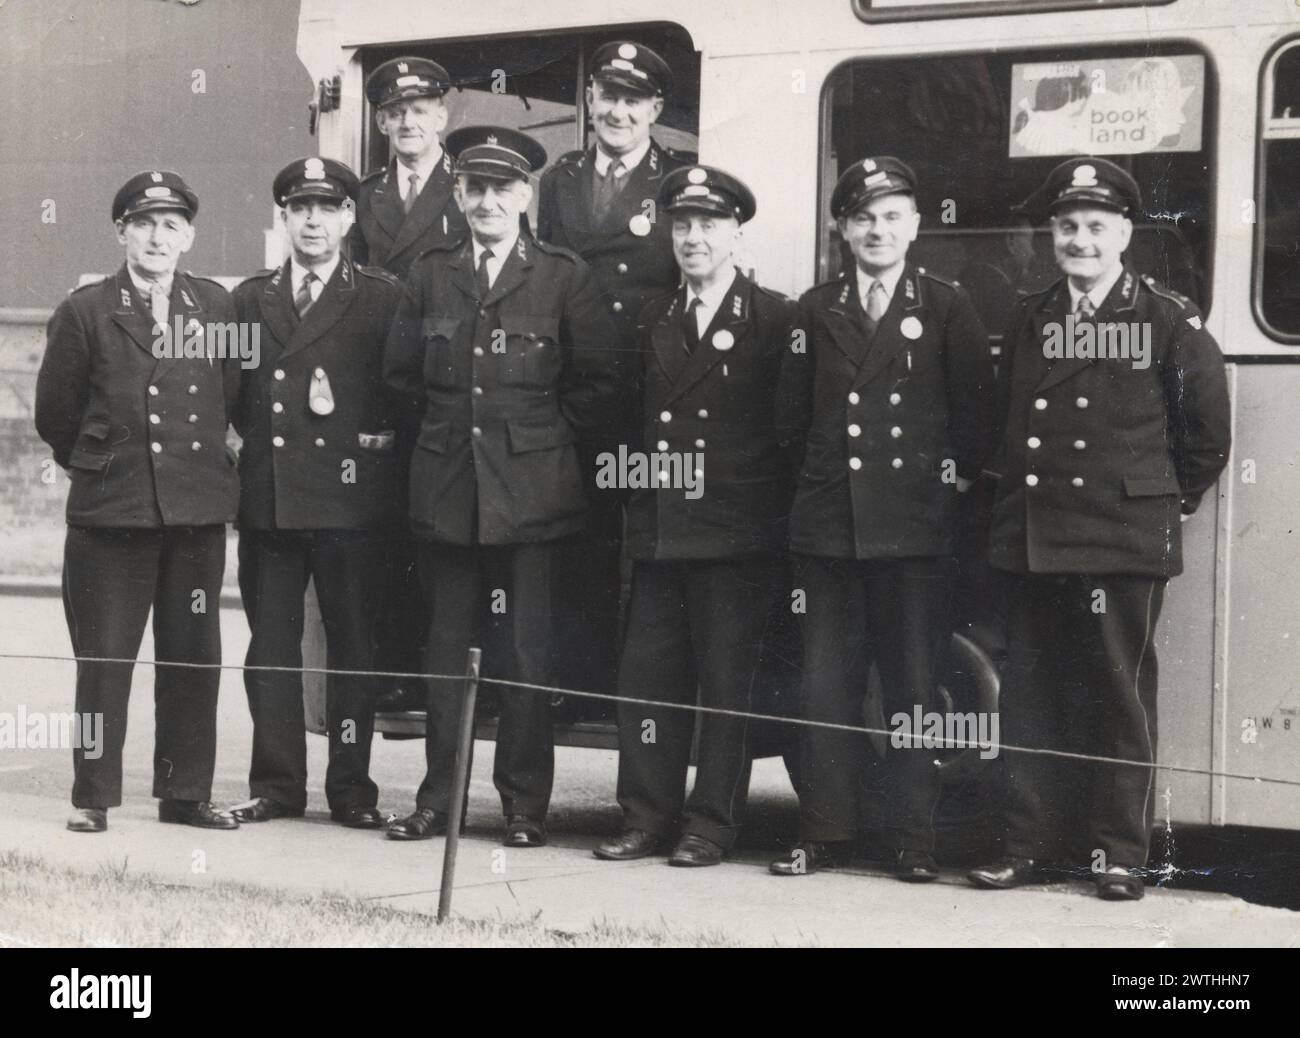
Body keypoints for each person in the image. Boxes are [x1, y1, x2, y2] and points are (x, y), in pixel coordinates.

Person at [967, 157, 1231, 900]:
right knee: (1026, 695)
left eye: (1095, 227)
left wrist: (1158, 501)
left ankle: (1120, 854)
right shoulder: (1032, 315)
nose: (1080, 240)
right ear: (1053, 235)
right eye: (1067, 227)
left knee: (1118, 695)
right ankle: (1025, 846)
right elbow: (1009, 420)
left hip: (1119, 535)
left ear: (1123, 234)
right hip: (1038, 532)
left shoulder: (1165, 320)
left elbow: (1206, 436)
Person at [383, 126, 621, 847]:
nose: (488, 201)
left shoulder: (561, 275)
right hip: (449, 493)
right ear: (457, 194)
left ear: (526, 196)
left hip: (533, 500)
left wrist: (537, 438)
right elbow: (400, 380)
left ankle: (523, 808)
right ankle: (439, 804)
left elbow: (599, 384)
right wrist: (453, 439)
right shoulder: (429, 274)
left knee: (524, 657)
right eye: (475, 188)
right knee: (445, 655)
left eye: (502, 189)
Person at [771, 157, 995, 881]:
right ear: (842, 228)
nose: (878, 229)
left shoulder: (946, 305)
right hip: (830, 532)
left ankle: (913, 842)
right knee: (825, 687)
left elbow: (974, 420)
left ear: (916, 227)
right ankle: (824, 833)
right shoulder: (814, 309)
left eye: (892, 216)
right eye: (863, 217)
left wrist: (939, 498)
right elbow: (790, 423)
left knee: (911, 690)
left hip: (913, 535)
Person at [592, 166, 798, 867]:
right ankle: (645, 816)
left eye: (709, 225)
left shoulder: (773, 318)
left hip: (736, 536)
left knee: (726, 687)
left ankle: (712, 824)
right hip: (658, 533)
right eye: (682, 225)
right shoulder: (652, 316)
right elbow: (625, 424)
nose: (693, 239)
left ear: (737, 233)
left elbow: (788, 431)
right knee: (647, 683)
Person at [35, 170, 241, 833]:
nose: (158, 237)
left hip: (195, 513)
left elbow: (226, 394)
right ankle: (94, 796)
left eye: (172, 225)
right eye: (144, 223)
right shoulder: (86, 310)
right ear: (122, 231)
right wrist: (101, 466)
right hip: (112, 513)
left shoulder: (214, 307)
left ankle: (185, 795)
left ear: (190, 236)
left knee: (192, 657)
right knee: (105, 659)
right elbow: (55, 415)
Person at [229, 158, 403, 829]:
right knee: (270, 648)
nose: (312, 221)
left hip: (352, 506)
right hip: (271, 503)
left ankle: (352, 789)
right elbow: (222, 394)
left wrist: (378, 454)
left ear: (348, 219)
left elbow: (401, 395)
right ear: (284, 218)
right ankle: (276, 786)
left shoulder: (382, 297)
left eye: (327, 209)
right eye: (300, 209)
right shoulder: (249, 302)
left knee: (352, 647)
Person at [536, 40, 694, 709]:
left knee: (647, 547)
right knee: (581, 539)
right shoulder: (559, 178)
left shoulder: (680, 178)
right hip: (579, 390)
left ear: (655, 108)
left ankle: (644, 690)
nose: (618, 111)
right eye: (608, 96)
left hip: (646, 391)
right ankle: (582, 682)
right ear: (591, 100)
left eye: (634, 100)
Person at [350, 55, 470, 714]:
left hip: (445, 387)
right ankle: (395, 672)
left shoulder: (470, 188)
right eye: (394, 113)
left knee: (442, 542)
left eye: (419, 111)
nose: (406, 123)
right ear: (379, 121)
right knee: (386, 534)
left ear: (442, 118)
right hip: (379, 385)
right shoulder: (363, 198)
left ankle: (441, 674)